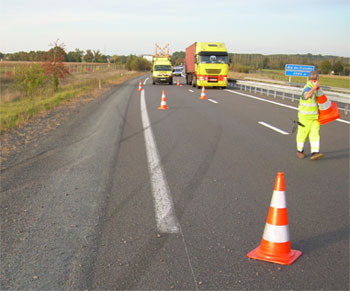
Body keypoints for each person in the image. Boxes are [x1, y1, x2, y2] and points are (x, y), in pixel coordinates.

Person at [296, 70, 324, 160]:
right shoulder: (308, 87)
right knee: (302, 134)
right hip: (305, 117)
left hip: (315, 117)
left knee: (315, 134)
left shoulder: (315, 87)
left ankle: (315, 152)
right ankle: (300, 151)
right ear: (317, 78)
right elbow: (306, 96)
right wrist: (314, 88)